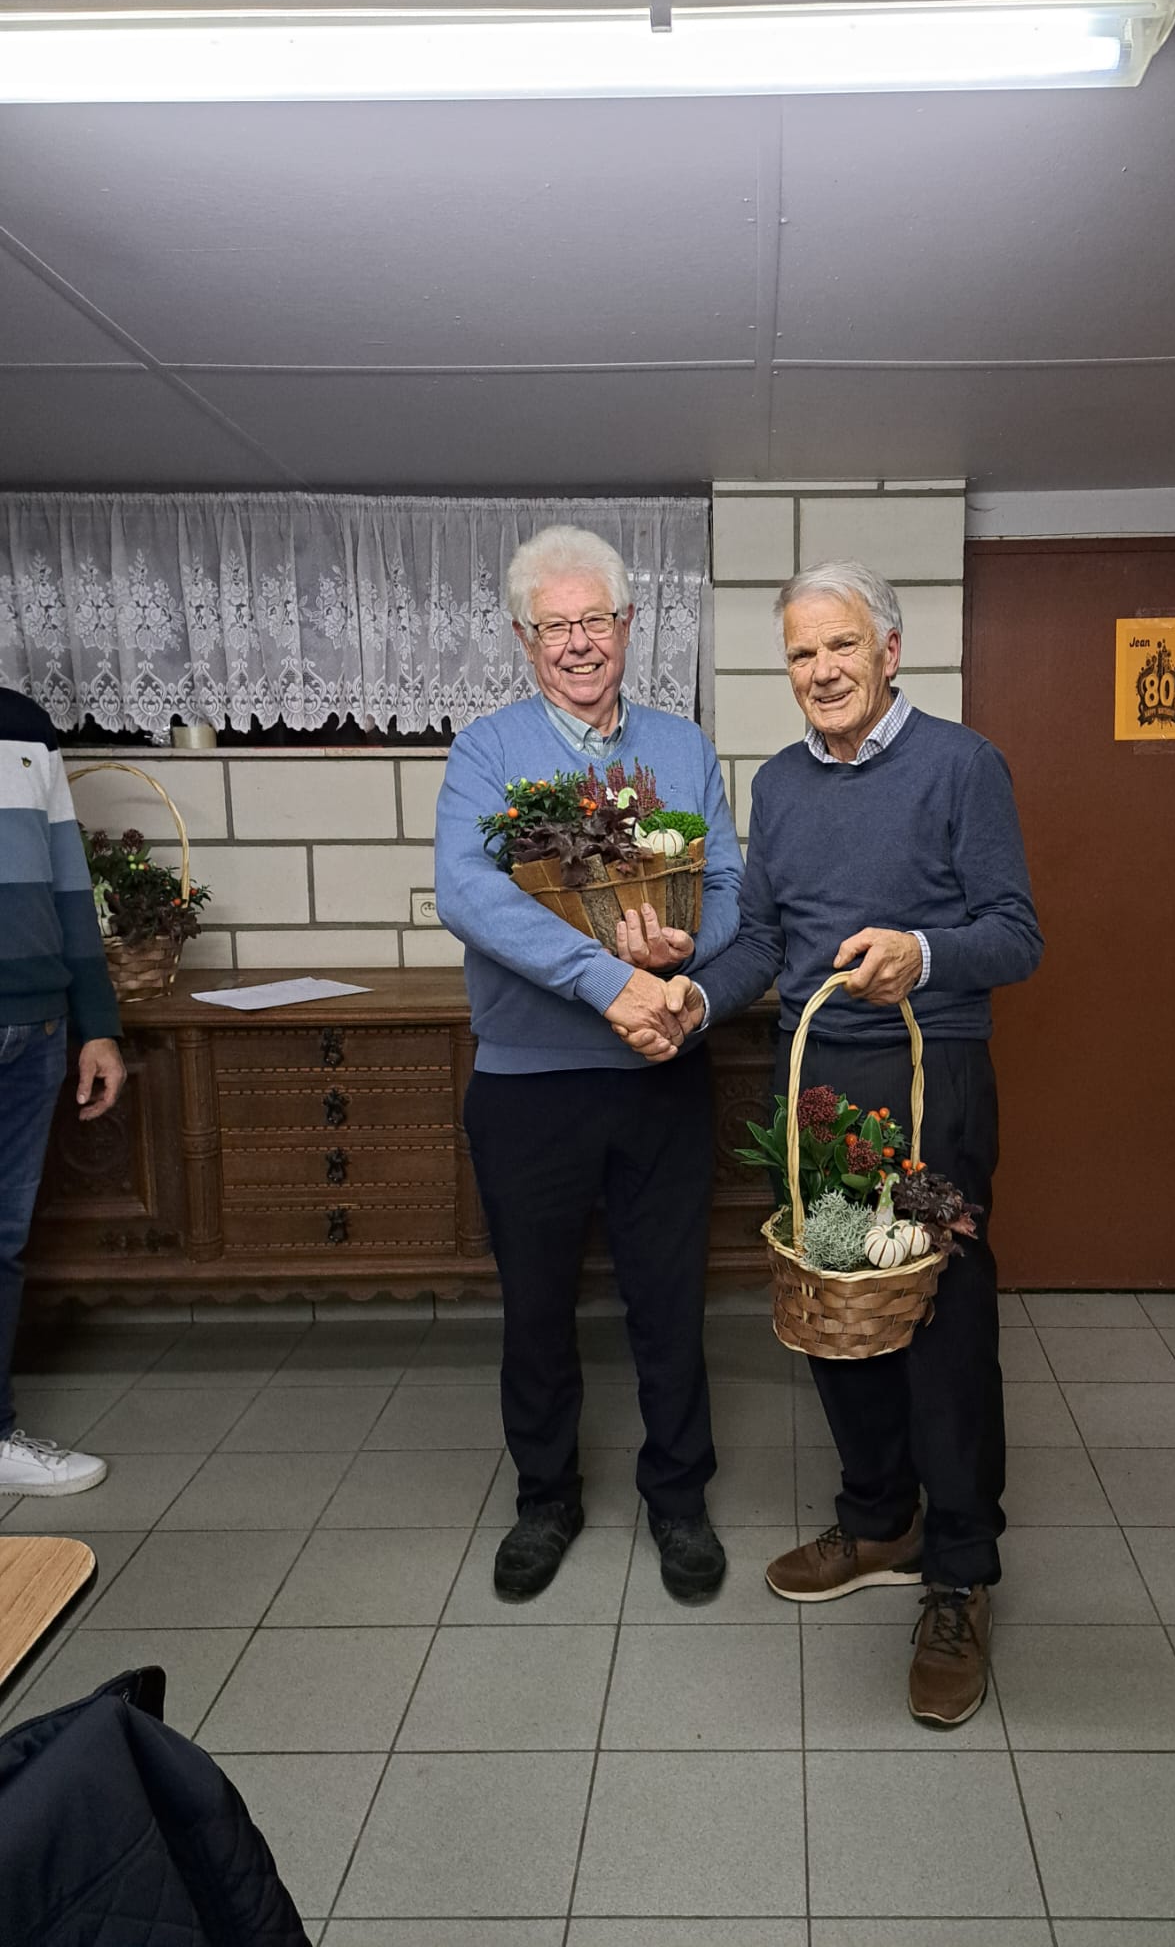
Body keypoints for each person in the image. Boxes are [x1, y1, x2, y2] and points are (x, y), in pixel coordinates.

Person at [621, 558, 1042, 1724]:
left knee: (938, 1317)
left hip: (930, 1077)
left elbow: (1016, 933)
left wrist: (924, 950)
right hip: (813, 1080)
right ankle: (878, 1517)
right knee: (833, 1309)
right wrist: (695, 997)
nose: (821, 669)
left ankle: (960, 1569)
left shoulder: (963, 765)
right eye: (801, 653)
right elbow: (764, 941)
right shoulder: (780, 784)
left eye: (841, 645)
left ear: (890, 650)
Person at [435, 526, 741, 1604]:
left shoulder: (682, 746)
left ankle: (679, 1497)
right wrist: (606, 979)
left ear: (629, 626)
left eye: (595, 620)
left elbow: (730, 887)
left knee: (670, 1300)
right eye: (555, 625)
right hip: (529, 1084)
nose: (578, 642)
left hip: (661, 1072)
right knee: (536, 1306)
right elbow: (468, 894)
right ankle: (546, 1497)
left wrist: (680, 956)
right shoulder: (486, 751)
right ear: (526, 639)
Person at [1, 686, 126, 1494]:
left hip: (33, 1024)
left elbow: (68, 885)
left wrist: (97, 1025)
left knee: (2, 1242)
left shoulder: (23, 727)